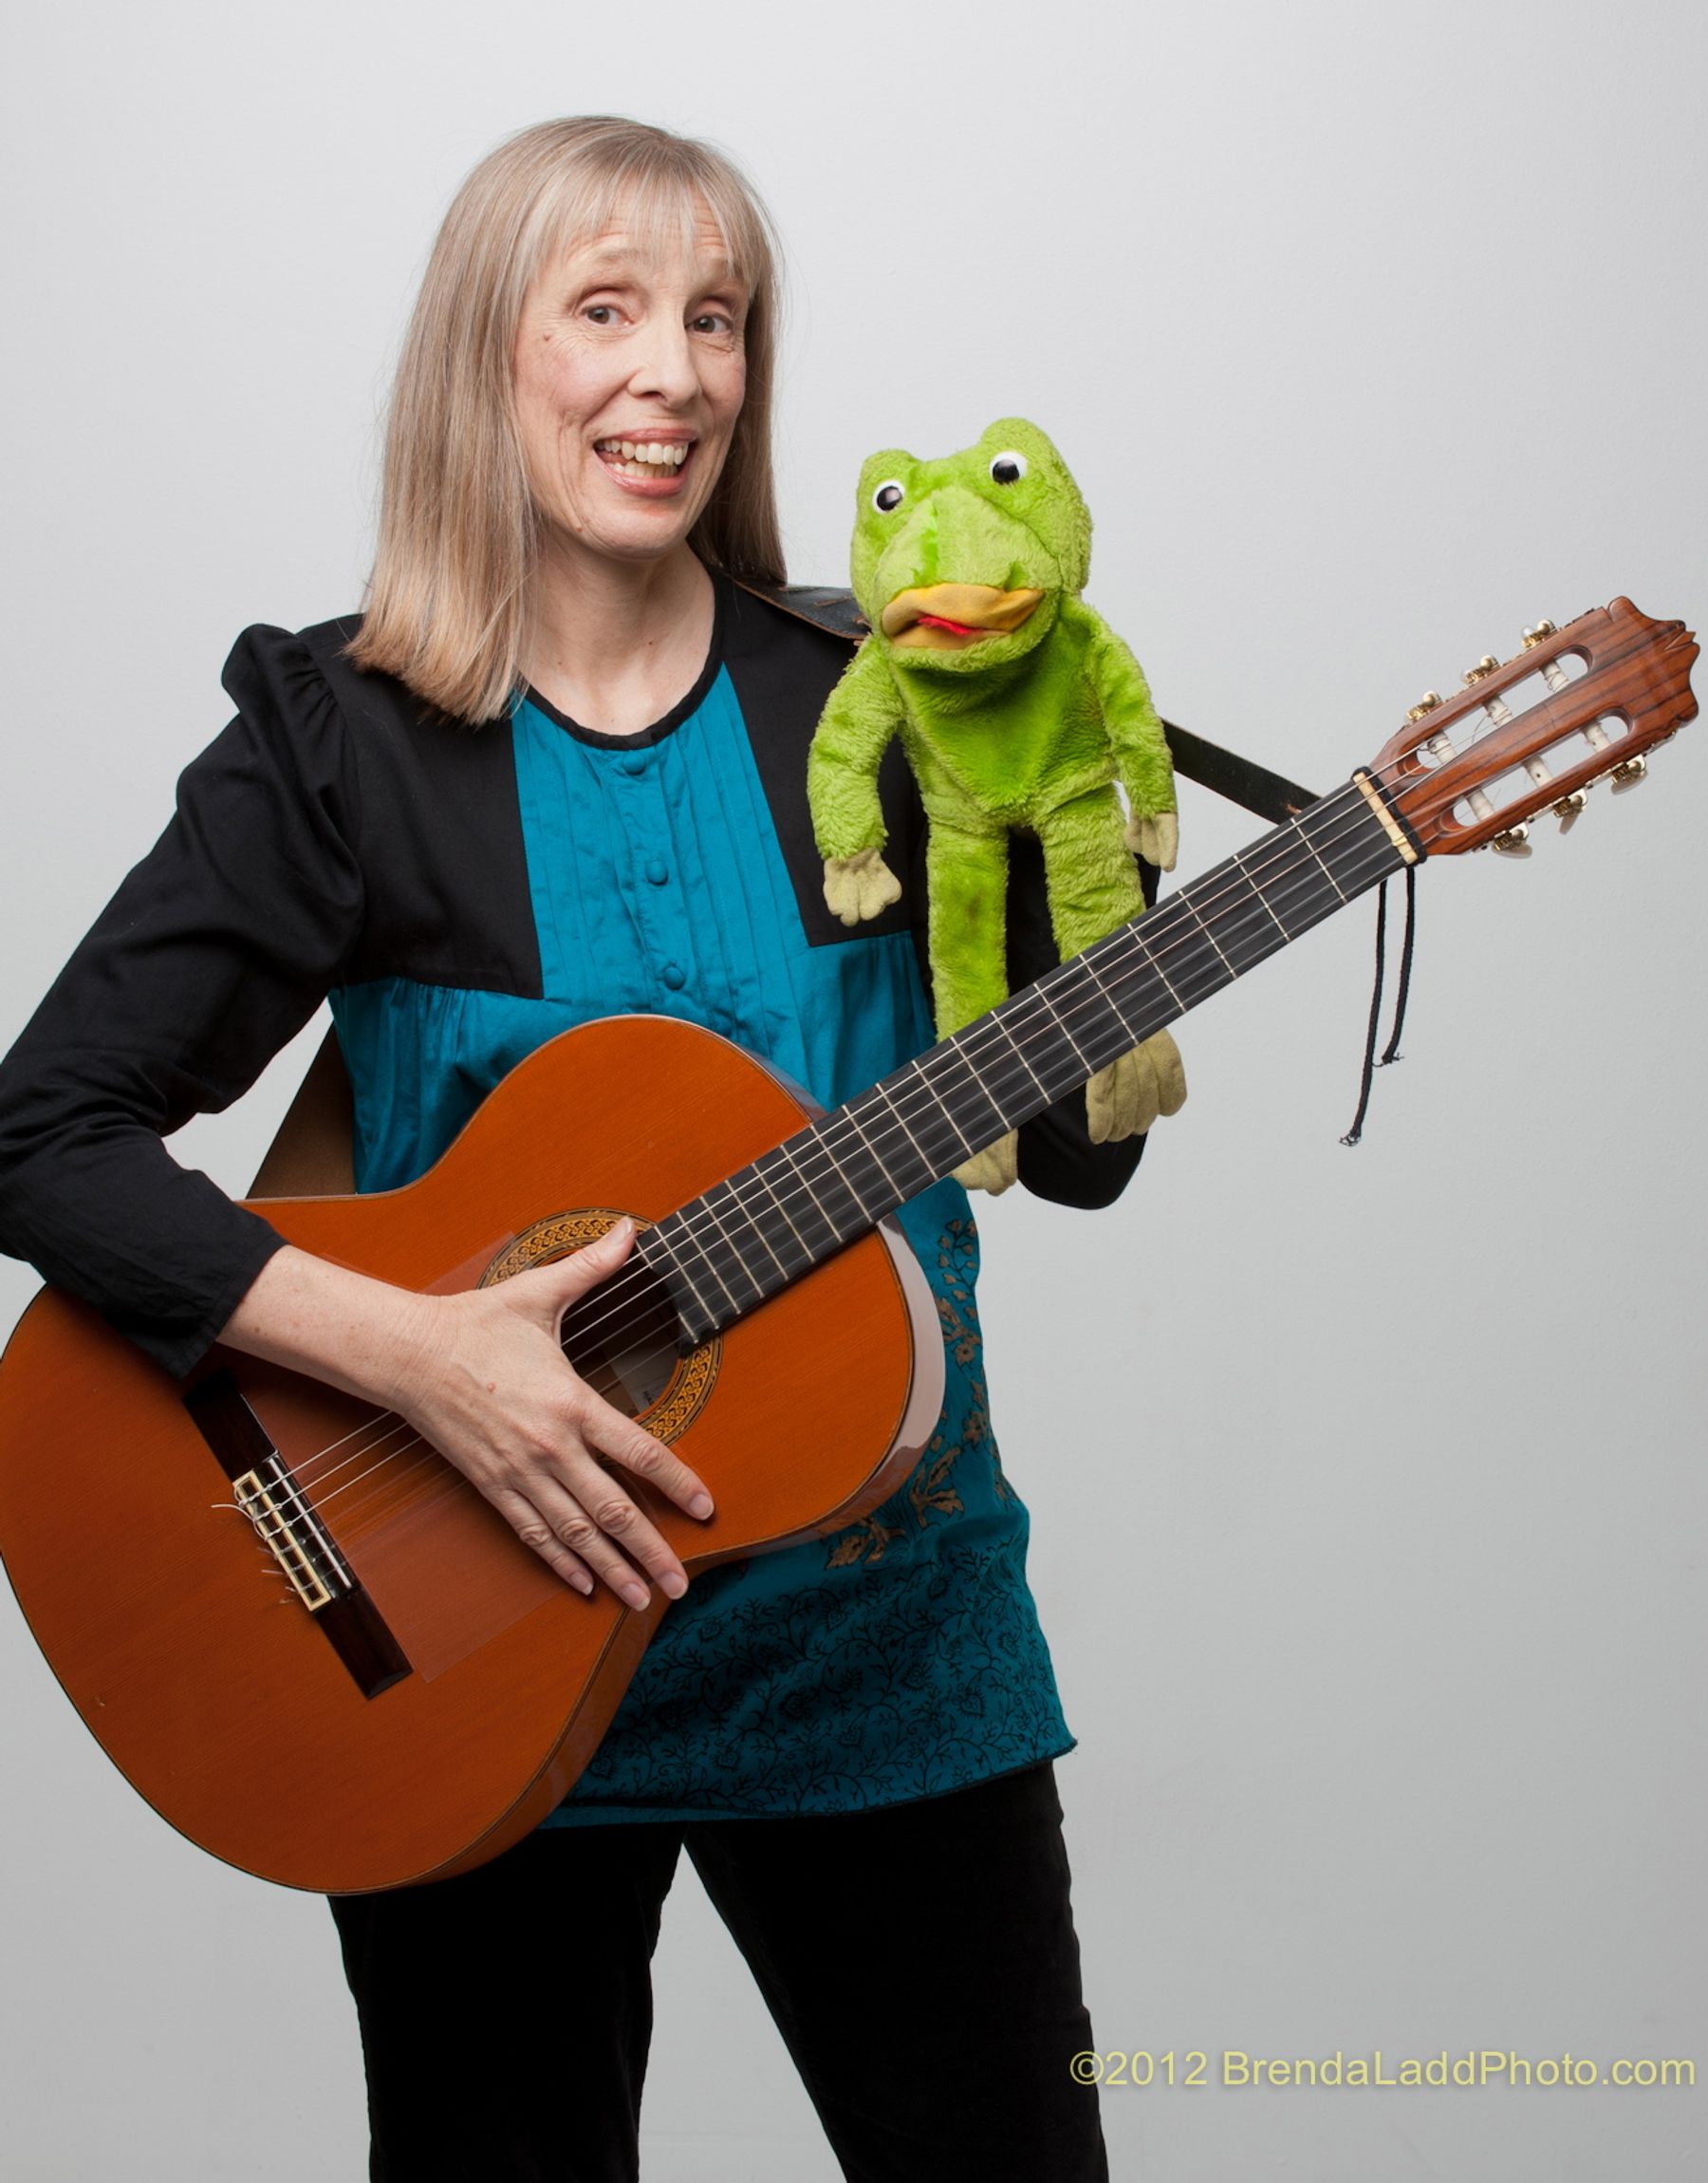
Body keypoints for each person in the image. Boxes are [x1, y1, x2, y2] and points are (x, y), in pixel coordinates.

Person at [0, 116, 1160, 2180]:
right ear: (490, 355)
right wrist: (424, 1356)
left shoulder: (886, 705)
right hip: (445, 1636)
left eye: (716, 319)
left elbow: (1075, 1161)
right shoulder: (342, 740)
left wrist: (1089, 880)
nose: (676, 373)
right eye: (607, 310)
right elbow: (39, 1134)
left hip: (884, 1644)